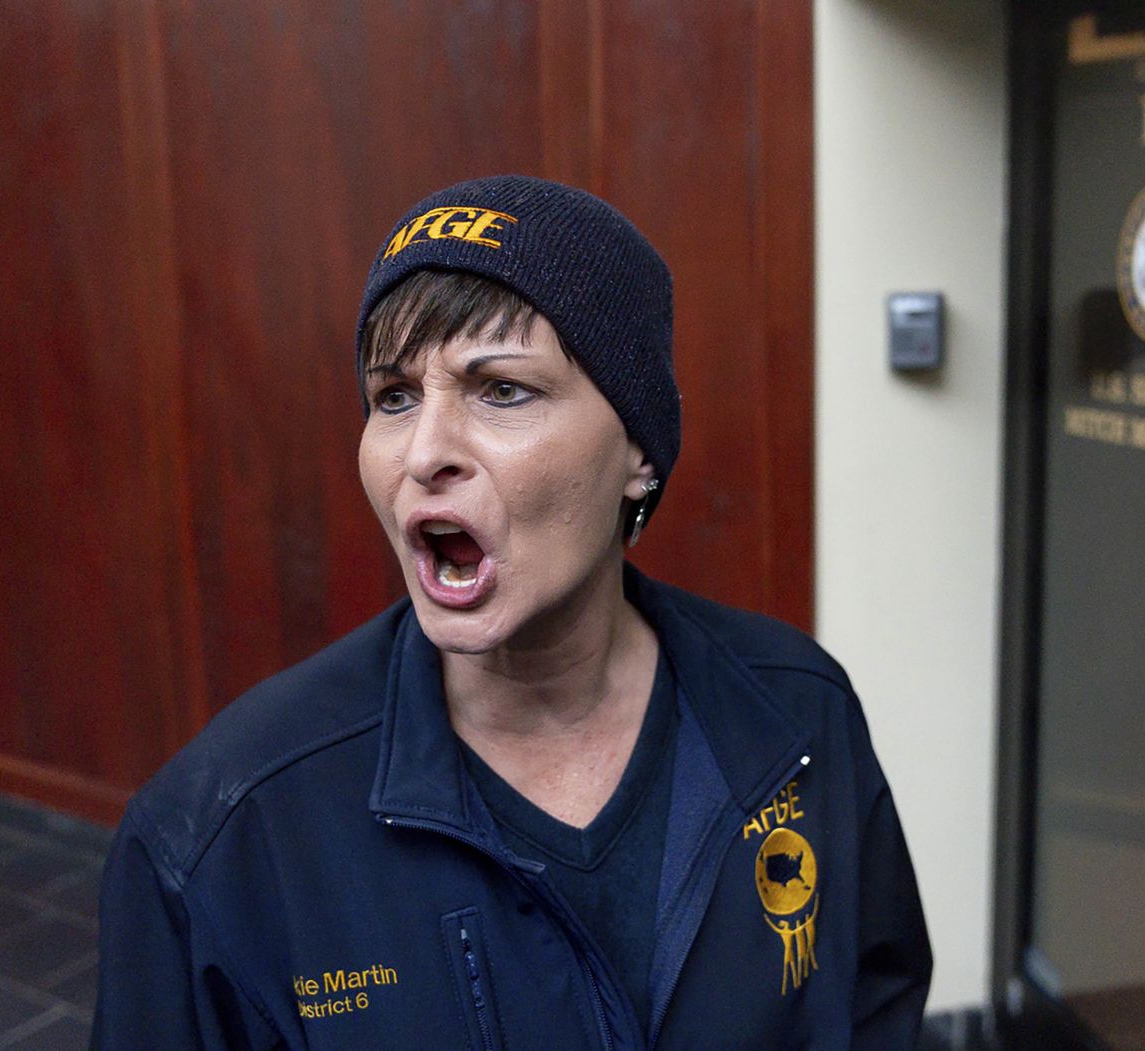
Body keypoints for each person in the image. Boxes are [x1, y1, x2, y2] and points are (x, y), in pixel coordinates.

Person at [92, 175, 931, 1050]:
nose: (424, 452)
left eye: (501, 390)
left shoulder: (796, 712)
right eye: (394, 396)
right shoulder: (223, 829)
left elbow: (874, 1005)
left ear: (639, 448)